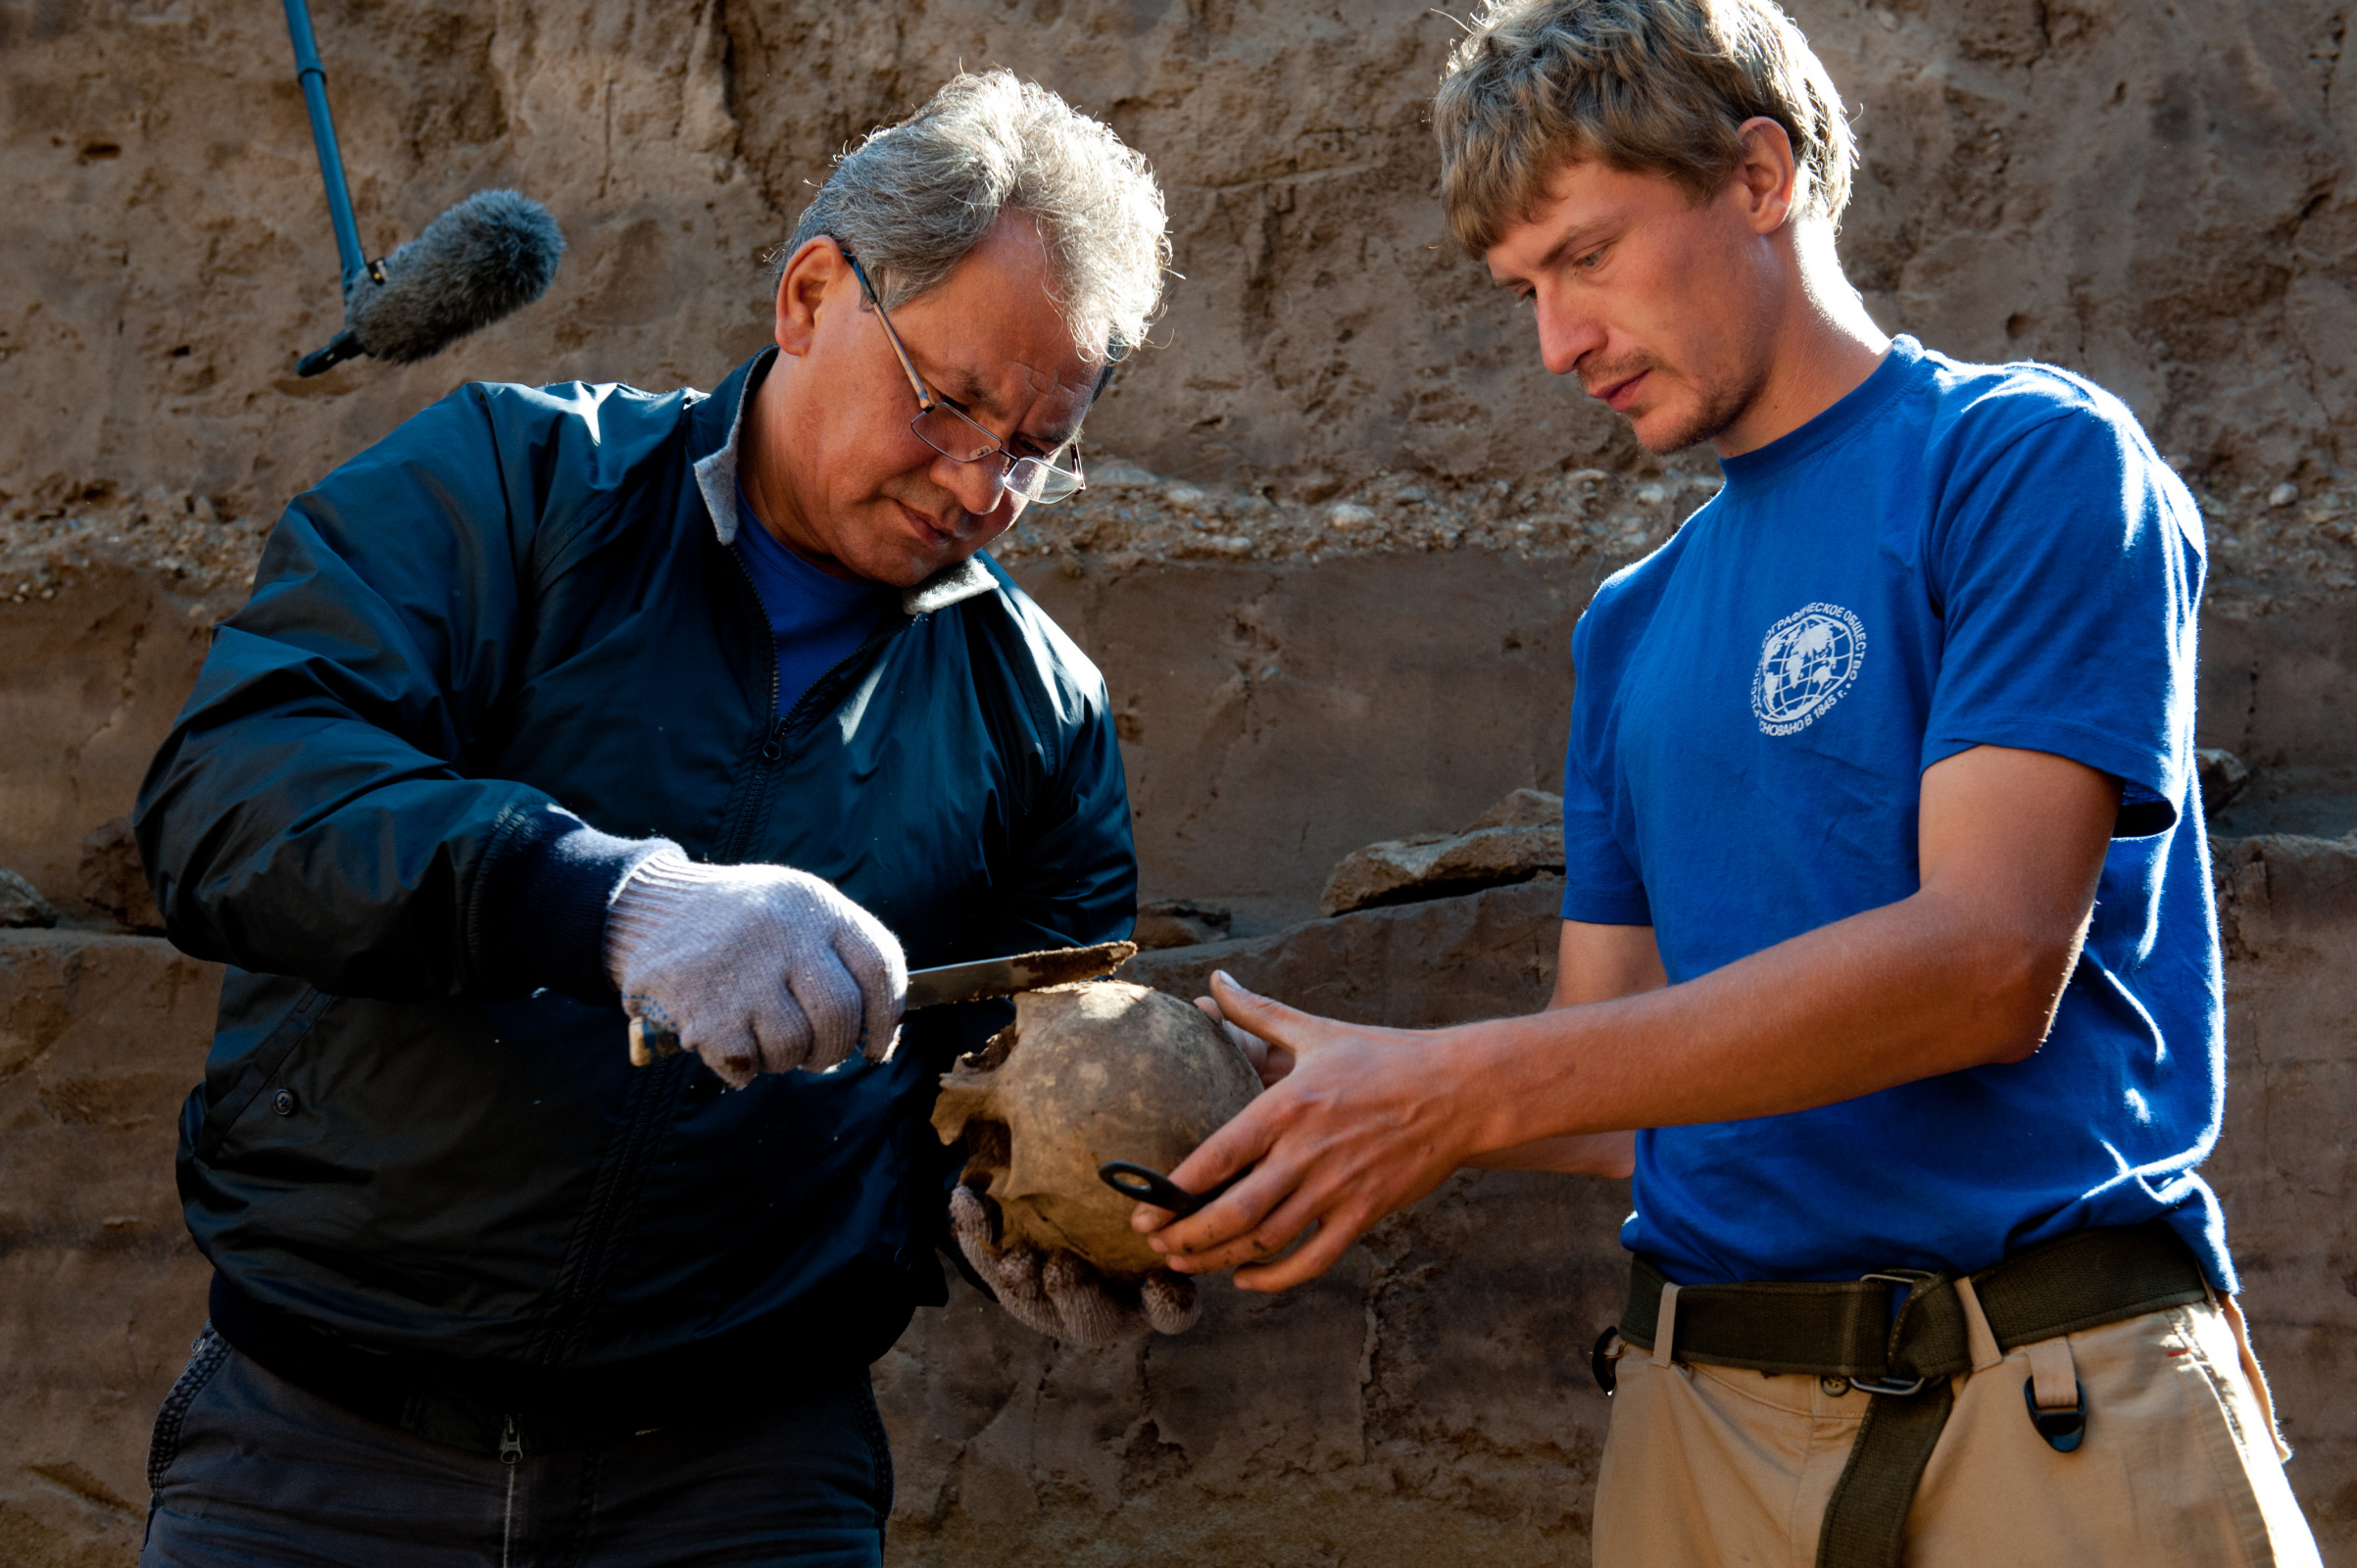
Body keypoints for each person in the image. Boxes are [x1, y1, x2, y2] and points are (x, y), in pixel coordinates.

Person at [1136, 4, 2325, 1565]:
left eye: (1586, 257)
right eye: (1521, 292)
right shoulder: (1628, 627)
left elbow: (1983, 964)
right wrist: (1273, 1121)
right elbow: (1607, 1079)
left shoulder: (2022, 460)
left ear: (1758, 176)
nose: (1555, 342)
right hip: (1698, 1426)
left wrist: (1461, 1088)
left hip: (2042, 1397)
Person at [132, 71, 1190, 1568]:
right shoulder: (507, 487)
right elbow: (230, 799)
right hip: (319, 1444)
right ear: (813, 293)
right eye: (948, 401)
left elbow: (995, 1068)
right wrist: (611, 902)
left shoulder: (1042, 709)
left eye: (1034, 447)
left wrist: (1036, 1209)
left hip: (742, 1485)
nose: (979, 483)